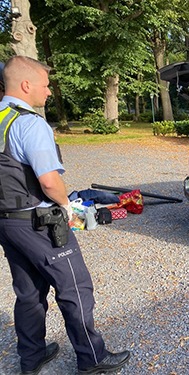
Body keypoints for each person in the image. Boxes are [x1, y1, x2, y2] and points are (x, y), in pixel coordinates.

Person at [0, 56, 130, 374]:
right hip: (38, 222)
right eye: (45, 85)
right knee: (75, 286)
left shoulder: (2, 117)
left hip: (8, 222)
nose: (48, 91)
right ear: (26, 84)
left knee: (28, 291)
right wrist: (67, 205)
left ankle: (31, 359)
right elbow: (48, 181)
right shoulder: (29, 123)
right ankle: (92, 359)